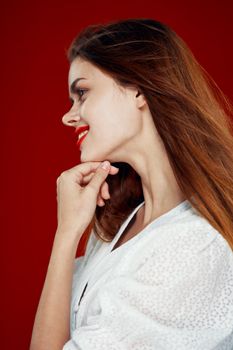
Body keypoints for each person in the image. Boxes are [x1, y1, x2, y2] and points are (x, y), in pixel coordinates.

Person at [30, 18, 233, 350]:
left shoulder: (194, 246)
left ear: (138, 89)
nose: (69, 116)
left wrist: (65, 234)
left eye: (81, 93)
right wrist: (68, 233)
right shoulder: (119, 224)